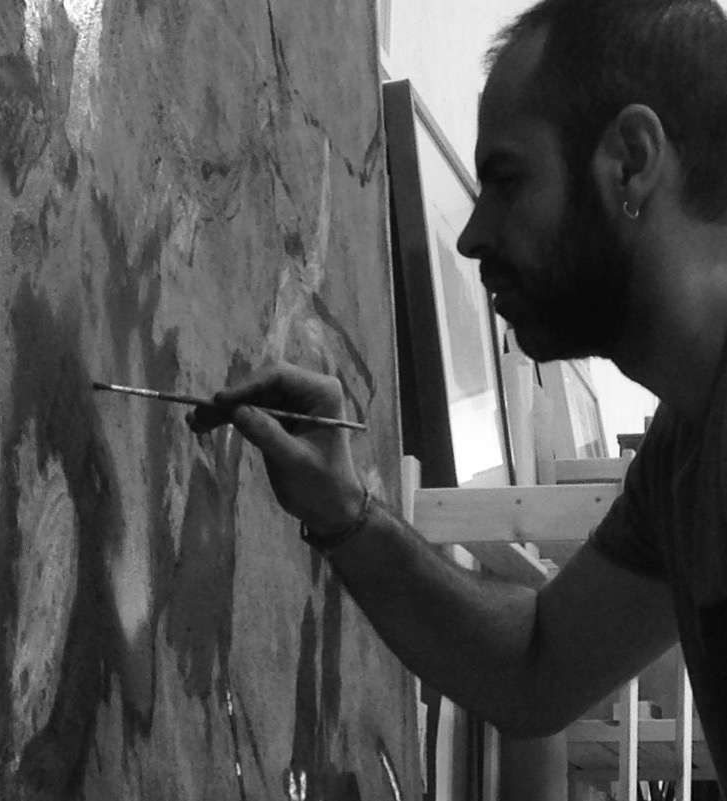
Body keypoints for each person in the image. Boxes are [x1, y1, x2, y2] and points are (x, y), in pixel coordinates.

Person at [189, 0, 727, 791]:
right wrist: (343, 510)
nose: (472, 235)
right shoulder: (681, 457)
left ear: (630, 161)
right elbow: (536, 666)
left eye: (506, 180)